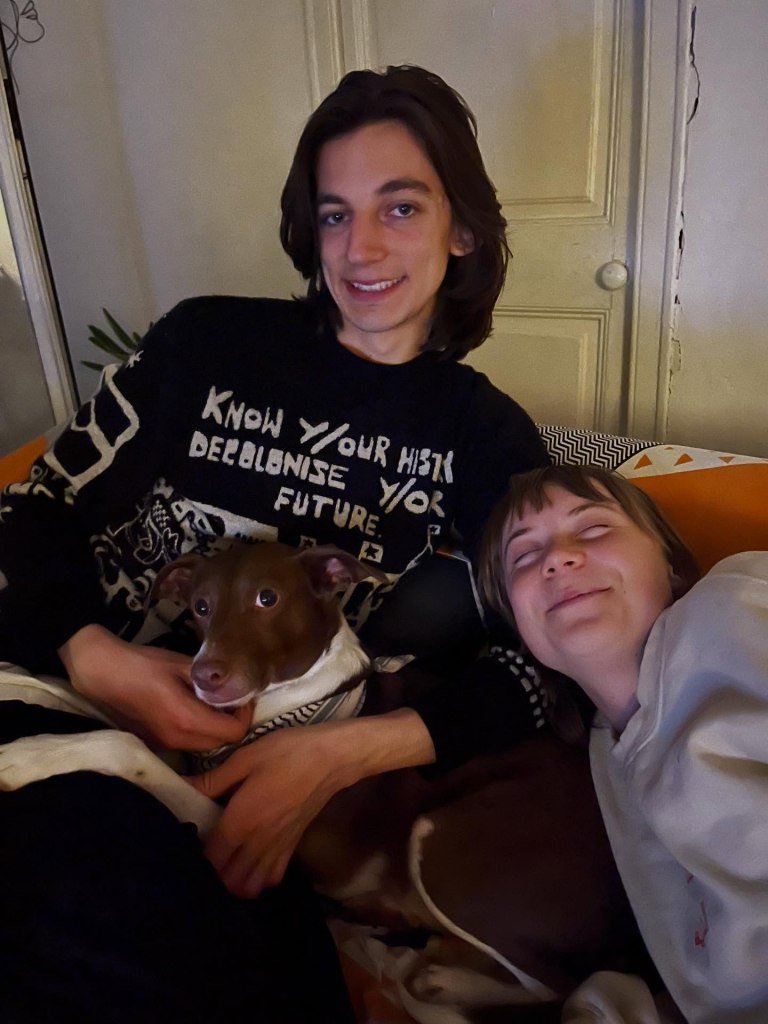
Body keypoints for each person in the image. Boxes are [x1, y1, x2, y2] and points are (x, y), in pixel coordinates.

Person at [0, 65, 548, 1022]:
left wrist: (335, 758)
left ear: (463, 230)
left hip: (255, 769)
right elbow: (33, 509)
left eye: (401, 208)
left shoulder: (483, 438)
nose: (361, 248)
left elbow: (551, 660)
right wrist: (95, 655)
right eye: (335, 215)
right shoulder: (204, 345)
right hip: (56, 695)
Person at [479, 462, 768, 1023]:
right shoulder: (607, 760)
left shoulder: (730, 607)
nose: (557, 558)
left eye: (593, 528)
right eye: (524, 556)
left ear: (670, 561)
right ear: (518, 625)